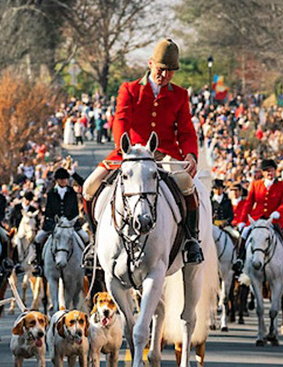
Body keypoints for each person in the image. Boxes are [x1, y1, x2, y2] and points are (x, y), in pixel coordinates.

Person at [82, 38, 204, 264]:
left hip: (163, 152)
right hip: (130, 153)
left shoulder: (179, 95)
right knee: (89, 185)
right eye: (160, 69)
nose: (164, 75)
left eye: (170, 72)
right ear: (150, 64)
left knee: (186, 183)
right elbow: (120, 120)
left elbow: (186, 130)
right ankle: (93, 242)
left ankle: (191, 240)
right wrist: (124, 147)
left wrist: (190, 155)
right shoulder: (129, 89)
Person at [237, 159, 283, 279]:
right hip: (257, 218)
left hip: (275, 219)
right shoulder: (255, 184)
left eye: (272, 170)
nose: (269, 173)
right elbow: (249, 203)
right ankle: (240, 259)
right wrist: (243, 220)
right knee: (244, 233)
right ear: (263, 173)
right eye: (267, 171)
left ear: (275, 171)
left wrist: (278, 213)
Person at [32, 167, 88, 276]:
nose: (63, 181)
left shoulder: (72, 192)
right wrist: (54, 222)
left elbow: (75, 210)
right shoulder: (51, 193)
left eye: (65, 179)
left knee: (85, 237)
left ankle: (87, 262)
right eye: (61, 179)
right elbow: (48, 211)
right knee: (38, 239)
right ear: (57, 180)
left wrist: (69, 221)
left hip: (70, 224)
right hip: (54, 224)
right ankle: (38, 264)